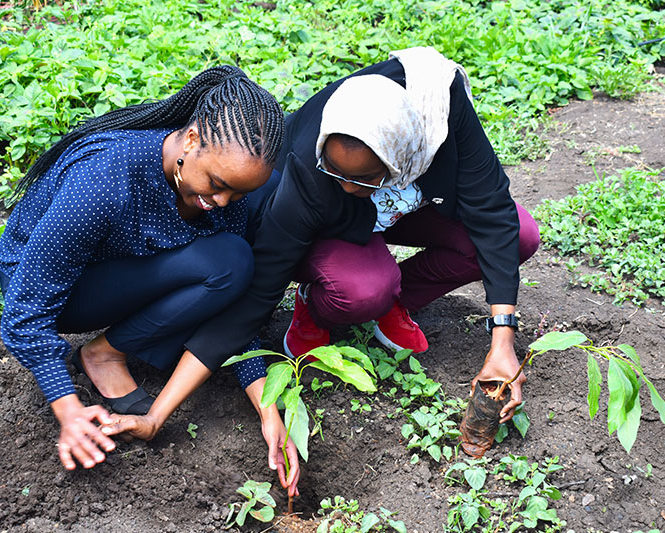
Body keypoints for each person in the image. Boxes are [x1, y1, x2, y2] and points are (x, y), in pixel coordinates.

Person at [177, 47, 540, 426]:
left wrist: (502, 341)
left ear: (402, 159)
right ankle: (316, 301)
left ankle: (395, 300)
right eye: (337, 172)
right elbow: (264, 279)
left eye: (365, 178)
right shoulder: (308, 168)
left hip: (403, 206)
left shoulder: (439, 112)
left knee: (520, 236)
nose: (349, 186)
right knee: (362, 291)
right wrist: (164, 407)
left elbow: (492, 209)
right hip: (330, 224)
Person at [0, 66, 299, 496]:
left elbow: (232, 306)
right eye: (217, 185)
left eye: (237, 194)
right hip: (60, 290)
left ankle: (106, 352)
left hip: (130, 273)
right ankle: (99, 359)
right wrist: (68, 408)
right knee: (225, 259)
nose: (222, 202)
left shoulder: (221, 195)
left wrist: (269, 410)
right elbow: (24, 313)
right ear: (192, 139)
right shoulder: (104, 180)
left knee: (231, 260)